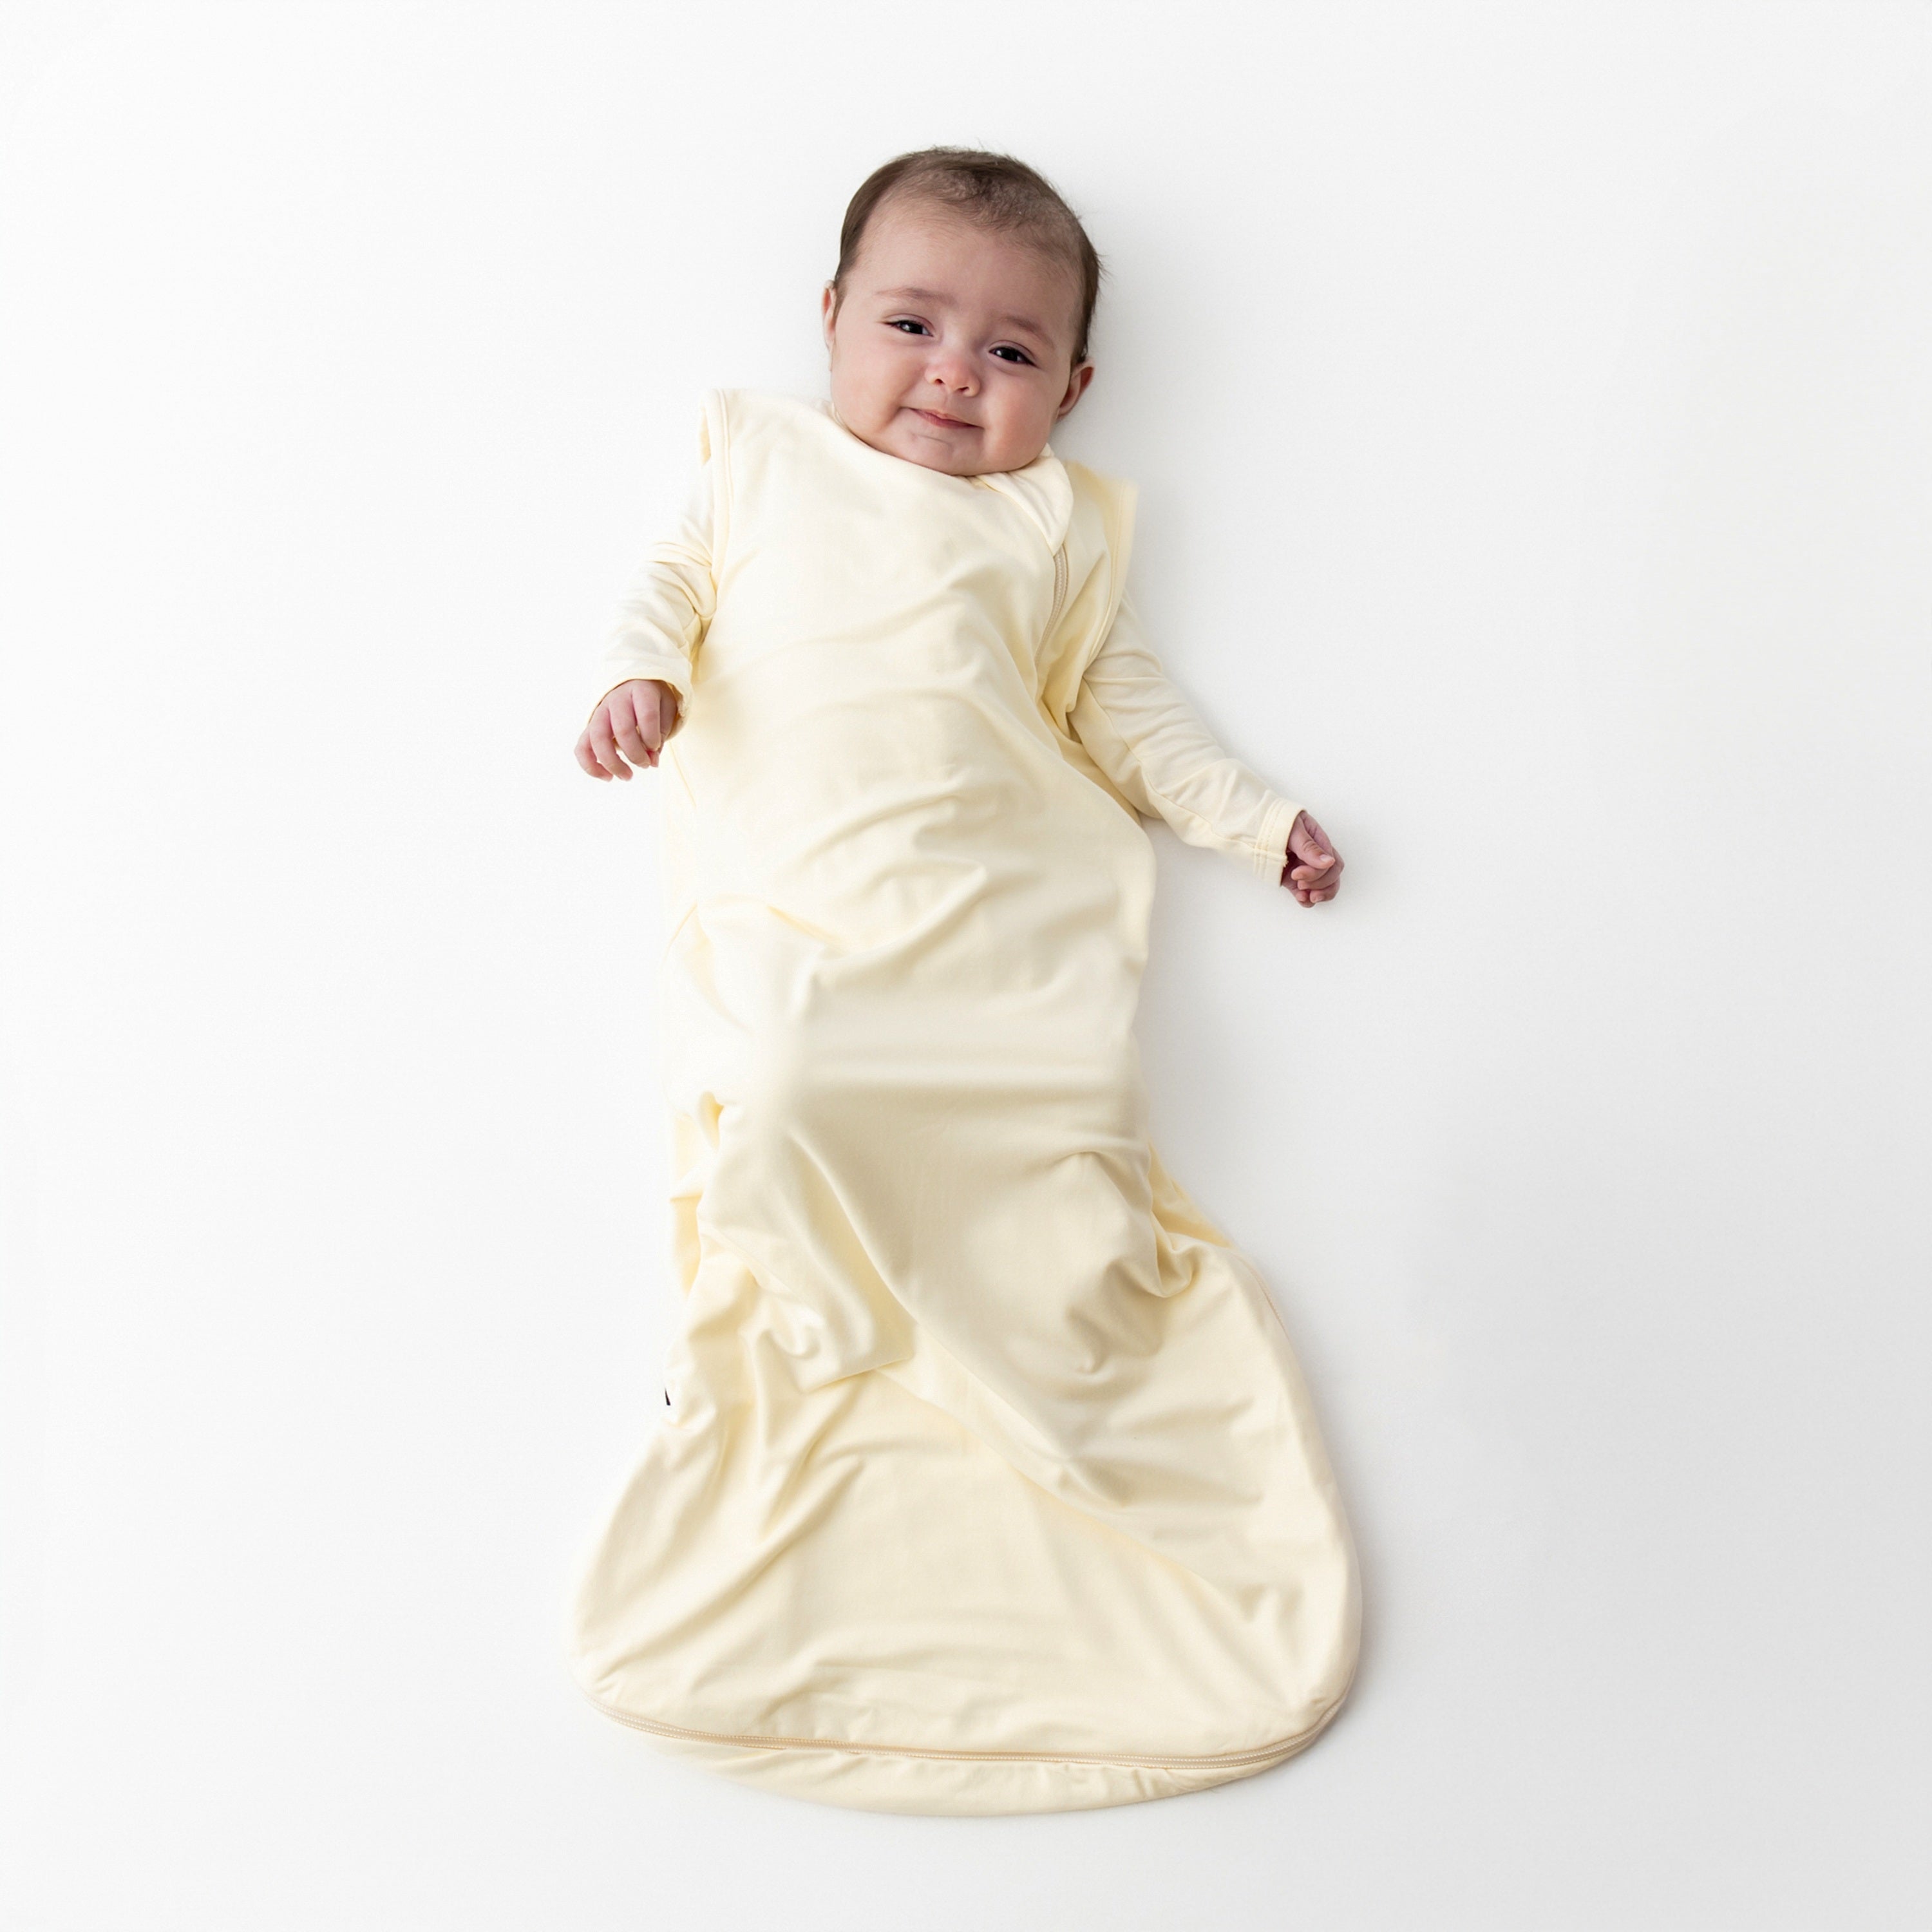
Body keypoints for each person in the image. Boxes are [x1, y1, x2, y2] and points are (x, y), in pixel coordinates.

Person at [564, 147, 1361, 1817]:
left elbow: (1133, 719)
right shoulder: (755, 457)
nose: (952, 374)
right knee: (776, 1089)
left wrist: (1254, 817)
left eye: (1009, 355)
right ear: (833, 320)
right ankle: (830, 1346)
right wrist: (640, 670)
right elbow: (670, 584)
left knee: (1050, 1170)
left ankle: (1036, 1357)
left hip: (995, 942)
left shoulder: (1050, 529)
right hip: (809, 930)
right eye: (913, 323)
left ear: (1070, 392)